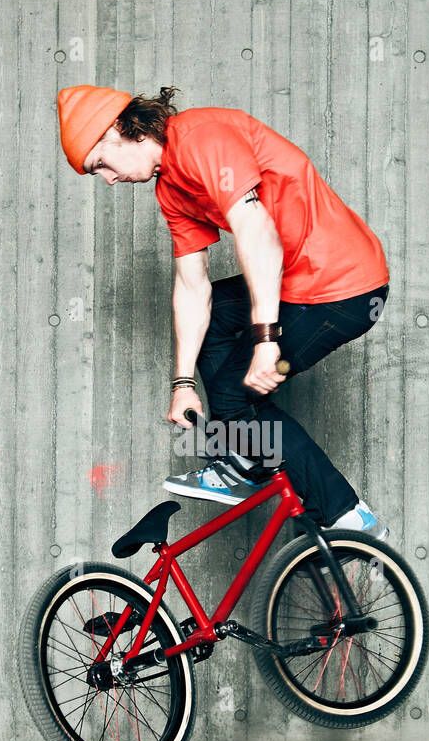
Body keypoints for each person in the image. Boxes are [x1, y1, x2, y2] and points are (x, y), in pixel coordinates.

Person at [56, 84, 390, 539]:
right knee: (218, 339)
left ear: (118, 132)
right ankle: (242, 458)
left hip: (341, 287)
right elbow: (192, 288)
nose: (109, 180)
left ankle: (344, 514)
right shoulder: (170, 188)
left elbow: (259, 234)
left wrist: (267, 341)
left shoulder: (201, 138)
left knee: (235, 397)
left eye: (101, 166)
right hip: (298, 282)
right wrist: (183, 383)